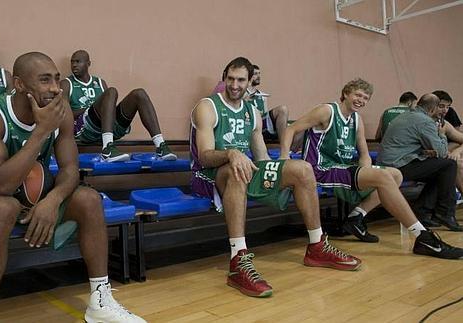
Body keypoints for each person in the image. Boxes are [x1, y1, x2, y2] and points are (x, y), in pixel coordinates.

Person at [0, 52, 145, 323]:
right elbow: (1, 183)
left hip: (32, 188)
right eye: (45, 81)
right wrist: (41, 131)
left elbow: (69, 170)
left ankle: (100, 301)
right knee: (4, 207)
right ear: (19, 85)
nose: (55, 88)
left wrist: (52, 201)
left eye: (56, 79)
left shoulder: (61, 108)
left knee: (89, 199)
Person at [191, 57, 361, 298]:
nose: (235, 84)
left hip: (243, 168)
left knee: (302, 168)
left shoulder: (252, 112)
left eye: (241, 80)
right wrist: (231, 153)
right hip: (209, 176)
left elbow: (261, 158)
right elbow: (205, 156)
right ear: (224, 79)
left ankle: (317, 246)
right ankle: (238, 261)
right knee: (237, 170)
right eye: (230, 79)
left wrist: (282, 170)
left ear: (250, 82)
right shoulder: (207, 106)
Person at [280, 78, 463, 259]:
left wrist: (366, 171)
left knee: (395, 175)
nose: (361, 100)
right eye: (357, 95)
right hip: (319, 169)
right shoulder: (326, 110)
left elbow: (364, 154)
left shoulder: (356, 120)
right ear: (345, 94)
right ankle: (424, 237)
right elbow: (291, 129)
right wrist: (284, 157)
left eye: (366, 98)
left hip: (341, 167)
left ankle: (356, 217)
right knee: (383, 177)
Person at [60, 50, 176, 162]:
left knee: (139, 94)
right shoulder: (66, 83)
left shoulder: (100, 82)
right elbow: (64, 114)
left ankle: (161, 145)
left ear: (88, 63)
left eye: (78, 61)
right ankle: (107, 149)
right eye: (72, 62)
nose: (74, 65)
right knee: (112, 91)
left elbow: (107, 108)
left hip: (105, 127)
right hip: (84, 129)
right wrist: (89, 108)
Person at [378, 94, 462, 231]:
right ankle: (445, 213)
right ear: (433, 108)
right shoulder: (424, 121)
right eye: (441, 107)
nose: (444, 111)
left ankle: (422, 212)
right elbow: (441, 152)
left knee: (440, 170)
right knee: (449, 165)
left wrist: (426, 152)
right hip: (397, 166)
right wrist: (441, 133)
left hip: (390, 163)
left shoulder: (408, 115)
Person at [212, 64, 303, 151]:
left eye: (259, 74)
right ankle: (285, 147)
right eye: (255, 74)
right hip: (247, 121)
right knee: (282, 109)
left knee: (300, 122)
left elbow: (265, 112)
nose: (258, 76)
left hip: (261, 121)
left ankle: (288, 147)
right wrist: (245, 100)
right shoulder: (238, 92)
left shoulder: (261, 95)